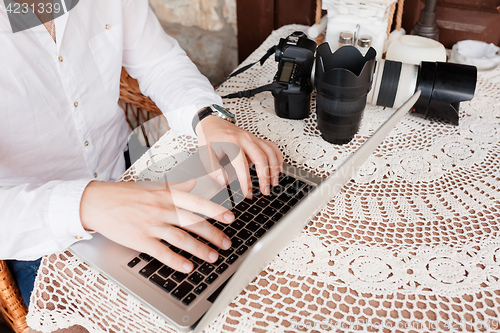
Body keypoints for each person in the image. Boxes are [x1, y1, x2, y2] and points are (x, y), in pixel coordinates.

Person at [0, 0, 283, 306]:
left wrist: (207, 117)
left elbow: (159, 62)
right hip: (40, 232)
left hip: (130, 170)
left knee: (253, 263)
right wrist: (84, 204)